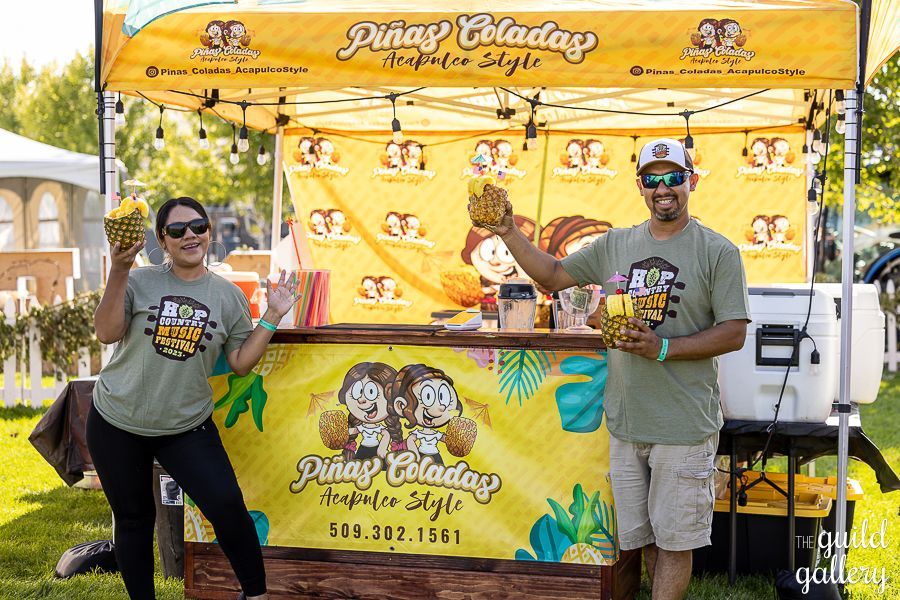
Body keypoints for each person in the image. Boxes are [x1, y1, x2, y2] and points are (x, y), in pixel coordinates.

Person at [471, 139, 750, 600]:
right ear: (640, 186)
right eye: (653, 179)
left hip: (682, 424)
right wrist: (507, 232)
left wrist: (661, 348)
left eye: (674, 177)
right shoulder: (617, 243)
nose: (664, 188)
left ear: (691, 182)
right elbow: (553, 276)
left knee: (676, 542)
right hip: (625, 422)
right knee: (642, 539)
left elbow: (734, 332)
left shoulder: (717, 252)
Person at [90, 196, 300, 600]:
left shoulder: (227, 295)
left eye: (198, 226)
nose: (190, 235)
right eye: (177, 230)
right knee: (134, 519)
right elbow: (106, 332)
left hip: (185, 426)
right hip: (117, 420)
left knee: (226, 506)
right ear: (161, 241)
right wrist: (118, 270)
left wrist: (272, 315)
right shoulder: (140, 281)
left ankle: (255, 595)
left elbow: (239, 362)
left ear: (209, 232)